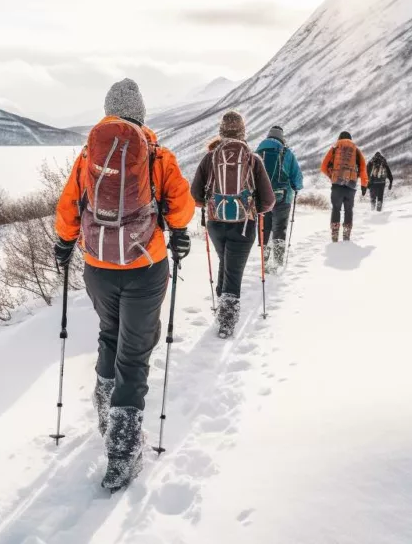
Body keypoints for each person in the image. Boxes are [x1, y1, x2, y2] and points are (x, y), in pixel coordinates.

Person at [53, 78, 194, 491]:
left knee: (109, 335)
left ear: (108, 112)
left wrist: (64, 244)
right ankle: (122, 451)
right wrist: (179, 232)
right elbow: (181, 204)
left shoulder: (88, 156)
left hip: (97, 265)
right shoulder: (156, 153)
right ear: (141, 113)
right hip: (145, 266)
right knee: (135, 353)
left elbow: (68, 207)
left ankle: (105, 408)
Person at [190, 111, 275, 338]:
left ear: (221, 131)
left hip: (215, 224)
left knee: (225, 261)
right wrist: (253, 207)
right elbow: (268, 201)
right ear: (242, 132)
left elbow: (195, 194)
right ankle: (227, 322)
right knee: (234, 270)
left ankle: (221, 303)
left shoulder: (210, 157)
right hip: (244, 224)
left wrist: (210, 204)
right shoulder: (252, 158)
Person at [255, 125, 303, 272]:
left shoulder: (258, 153)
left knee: (265, 228)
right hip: (282, 197)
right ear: (282, 138)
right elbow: (297, 176)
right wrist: (296, 187)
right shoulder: (287, 152)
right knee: (279, 228)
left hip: (263, 198)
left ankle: (265, 260)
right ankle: (276, 263)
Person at [320, 131, 368, 242]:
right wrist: (364, 184)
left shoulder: (335, 148)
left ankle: (335, 235)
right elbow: (363, 168)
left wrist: (332, 176)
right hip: (351, 185)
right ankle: (346, 235)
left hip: (337, 185)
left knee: (336, 209)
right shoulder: (356, 150)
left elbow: (323, 167)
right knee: (348, 210)